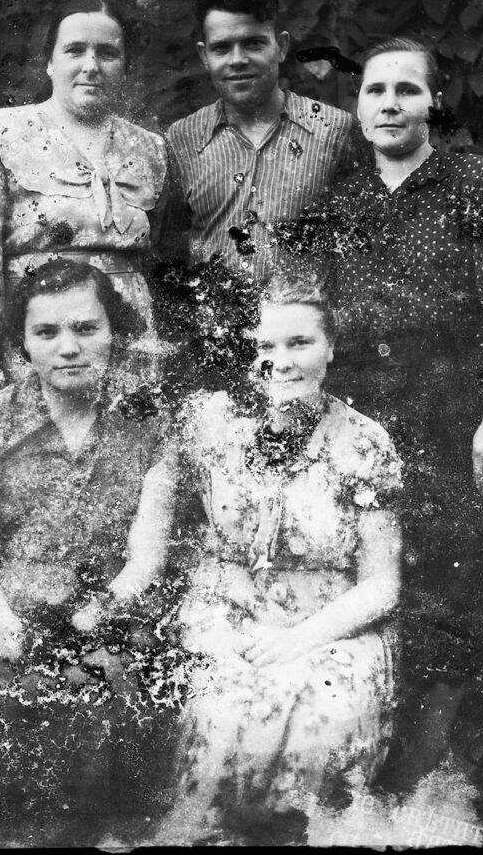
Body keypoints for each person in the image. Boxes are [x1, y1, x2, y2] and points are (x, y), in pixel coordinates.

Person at [273, 36, 483, 797]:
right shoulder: (341, 201)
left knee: (449, 593)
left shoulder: (479, 186)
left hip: (453, 414)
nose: (389, 103)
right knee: (364, 578)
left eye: (406, 90)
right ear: (358, 109)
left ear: (433, 102)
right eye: (375, 91)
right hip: (361, 419)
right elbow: (308, 314)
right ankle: (350, 758)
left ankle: (418, 776)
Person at [0, 260, 176, 842]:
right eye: (46, 332)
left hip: (104, 608)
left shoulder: (149, 423)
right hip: (0, 610)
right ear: (23, 343)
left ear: (115, 332)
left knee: (103, 702)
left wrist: (92, 620)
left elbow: (146, 558)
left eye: (86, 328)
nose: (68, 348)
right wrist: (15, 636)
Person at [0, 0, 169, 587]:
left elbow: (151, 261)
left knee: (122, 507)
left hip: (122, 348)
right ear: (49, 60)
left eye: (107, 53)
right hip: (27, 348)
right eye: (75, 50)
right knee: (14, 528)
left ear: (125, 63)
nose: (91, 65)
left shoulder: (150, 149)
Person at [154, 276, 403, 845]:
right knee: (225, 704)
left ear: (330, 347)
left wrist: (300, 639)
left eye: (299, 343)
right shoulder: (215, 429)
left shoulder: (364, 443)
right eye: (266, 346)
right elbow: (201, 547)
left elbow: (382, 585)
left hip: (333, 624)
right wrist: (233, 620)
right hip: (229, 609)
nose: (281, 362)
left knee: (325, 710)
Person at [161, 0, 355, 280]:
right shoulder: (181, 139)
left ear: (281, 46)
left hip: (305, 310)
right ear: (204, 56)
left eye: (253, 43)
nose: (237, 59)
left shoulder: (334, 130)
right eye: (222, 48)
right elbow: (171, 249)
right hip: (215, 310)